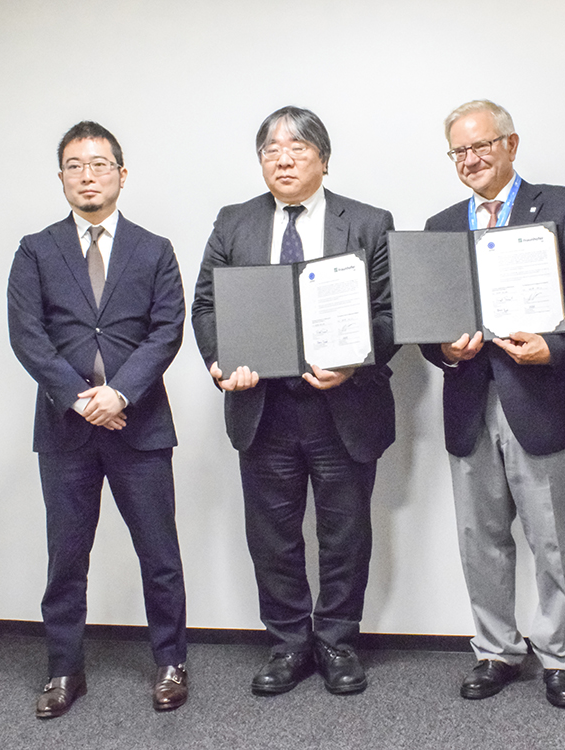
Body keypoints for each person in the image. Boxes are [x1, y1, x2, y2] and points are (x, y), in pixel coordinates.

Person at [192, 106, 396, 697]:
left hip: (344, 405)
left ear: (324, 160)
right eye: (271, 150)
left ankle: (336, 641)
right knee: (272, 534)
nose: (283, 158)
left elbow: (390, 313)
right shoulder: (234, 223)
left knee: (345, 532)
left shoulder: (369, 222)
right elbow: (207, 306)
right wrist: (219, 363)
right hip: (264, 409)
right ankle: (286, 643)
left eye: (298, 148)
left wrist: (354, 360)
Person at [421, 100, 565, 708]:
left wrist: (555, 347)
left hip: (545, 397)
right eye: (459, 151)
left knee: (553, 538)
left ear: (511, 144)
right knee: (479, 536)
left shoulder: (563, 206)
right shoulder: (440, 224)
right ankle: (496, 651)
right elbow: (431, 323)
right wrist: (446, 349)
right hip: (469, 400)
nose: (471, 160)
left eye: (482, 146)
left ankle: (559, 656)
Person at [8, 121, 189, 719]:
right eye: (75, 166)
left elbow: (167, 330)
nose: (88, 175)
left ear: (122, 173)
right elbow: (27, 335)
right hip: (65, 429)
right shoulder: (35, 249)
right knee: (66, 558)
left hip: (140, 427)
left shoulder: (154, 248)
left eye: (99, 164)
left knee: (159, 554)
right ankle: (63, 670)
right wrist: (82, 397)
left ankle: (170, 662)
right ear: (60, 177)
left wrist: (122, 394)